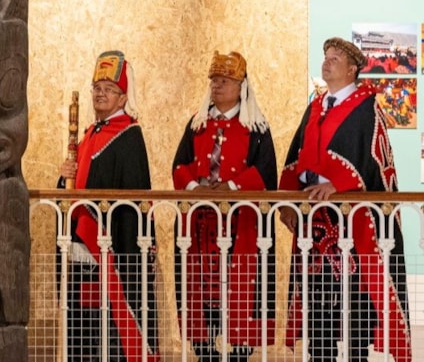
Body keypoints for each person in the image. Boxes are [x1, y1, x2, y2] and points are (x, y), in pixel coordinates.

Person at [278, 37, 412, 362]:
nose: (327, 61)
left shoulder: (367, 108)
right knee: (318, 315)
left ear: (352, 70)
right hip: (316, 227)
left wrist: (338, 184)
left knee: (355, 314)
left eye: (336, 58)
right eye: (326, 56)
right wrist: (287, 197)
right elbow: (297, 156)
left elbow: (375, 162)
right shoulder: (315, 106)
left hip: (354, 229)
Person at [171, 51, 276, 362]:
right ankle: (204, 350)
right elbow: (180, 165)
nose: (217, 86)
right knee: (198, 290)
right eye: (214, 80)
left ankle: (241, 350)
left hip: (241, 224)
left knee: (242, 288)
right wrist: (195, 188)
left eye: (225, 81)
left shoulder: (256, 127)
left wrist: (231, 188)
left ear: (241, 86)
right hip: (201, 227)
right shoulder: (197, 123)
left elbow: (265, 171)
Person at [58, 50, 159, 362]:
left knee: (111, 327)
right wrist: (64, 178)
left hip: (110, 246)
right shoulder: (88, 134)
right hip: (80, 244)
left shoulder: (129, 135)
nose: (100, 94)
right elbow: (73, 189)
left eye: (108, 89)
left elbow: (132, 198)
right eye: (96, 88)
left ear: (123, 97)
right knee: (84, 324)